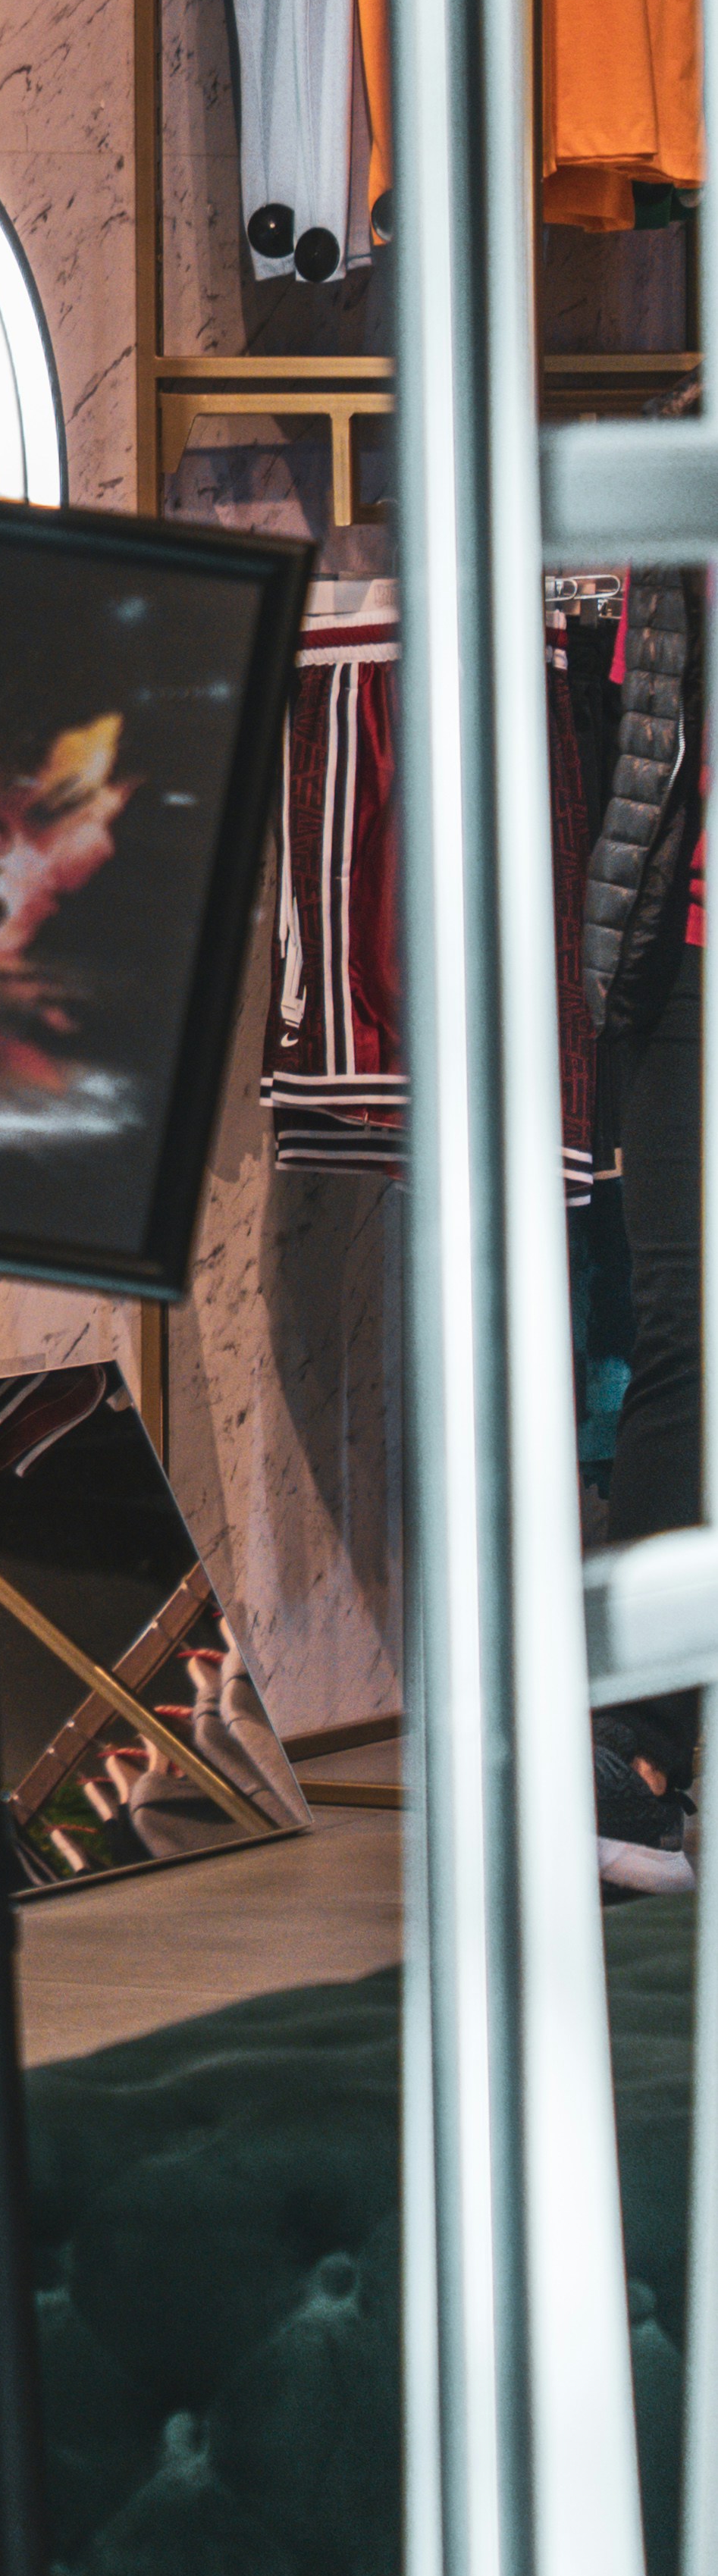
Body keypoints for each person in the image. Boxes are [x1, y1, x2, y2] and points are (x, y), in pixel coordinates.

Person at [578, 566, 702, 1894]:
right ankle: (645, 1765)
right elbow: (644, 735)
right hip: (688, 955)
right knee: (684, 1338)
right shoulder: (677, 475)